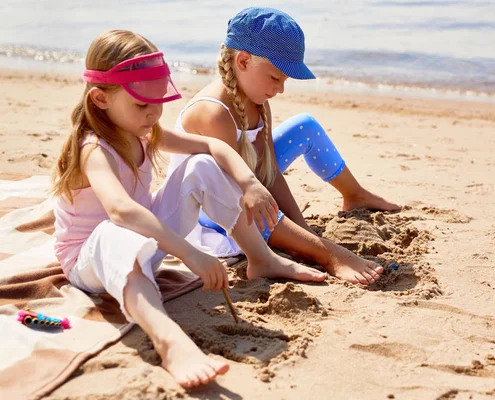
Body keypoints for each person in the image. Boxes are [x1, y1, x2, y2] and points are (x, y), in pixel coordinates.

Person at [51, 29, 326, 389]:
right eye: (142, 105)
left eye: (158, 102)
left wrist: (250, 183)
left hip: (148, 240)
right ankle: (169, 340)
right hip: (93, 261)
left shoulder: (146, 130)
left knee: (201, 166)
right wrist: (189, 253)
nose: (154, 114)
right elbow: (120, 211)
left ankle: (261, 257)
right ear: (101, 99)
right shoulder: (94, 148)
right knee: (112, 233)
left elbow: (214, 147)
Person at [168, 7, 401, 285]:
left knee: (305, 125)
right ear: (242, 61)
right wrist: (325, 251)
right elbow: (236, 201)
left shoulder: (258, 102)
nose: (281, 89)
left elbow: (271, 175)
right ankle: (323, 254)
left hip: (248, 186)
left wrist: (304, 233)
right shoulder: (213, 113)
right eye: (275, 77)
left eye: (285, 80)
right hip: (215, 212)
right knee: (259, 209)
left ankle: (355, 195)